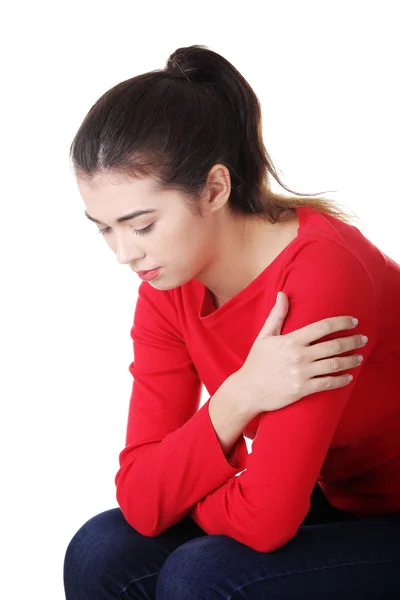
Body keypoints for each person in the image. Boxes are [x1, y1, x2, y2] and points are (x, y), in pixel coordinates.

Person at [63, 45, 400, 599]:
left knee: (203, 575)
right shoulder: (168, 282)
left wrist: (176, 487)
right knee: (103, 549)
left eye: (141, 225)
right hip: (342, 499)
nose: (124, 253)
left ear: (216, 188)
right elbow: (140, 499)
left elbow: (264, 519)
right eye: (104, 229)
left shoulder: (322, 272)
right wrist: (237, 398)